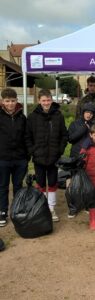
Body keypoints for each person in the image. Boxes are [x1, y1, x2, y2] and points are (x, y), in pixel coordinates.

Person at [25, 89, 68, 222]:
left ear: (52, 100)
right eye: (43, 100)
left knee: (53, 183)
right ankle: (42, 208)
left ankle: (51, 208)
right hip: (39, 157)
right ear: (39, 101)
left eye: (48, 100)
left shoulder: (58, 116)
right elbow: (27, 136)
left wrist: (59, 150)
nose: (46, 103)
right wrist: (33, 151)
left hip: (54, 157)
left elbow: (64, 135)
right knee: (41, 183)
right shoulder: (32, 117)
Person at [0, 88, 28, 227]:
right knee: (3, 186)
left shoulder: (22, 117)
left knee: (18, 186)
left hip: (20, 159)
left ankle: (17, 210)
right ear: (2, 101)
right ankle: (2, 212)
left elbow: (27, 137)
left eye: (12, 101)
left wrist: (27, 155)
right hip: (3, 159)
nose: (10, 104)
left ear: (17, 101)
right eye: (7, 101)